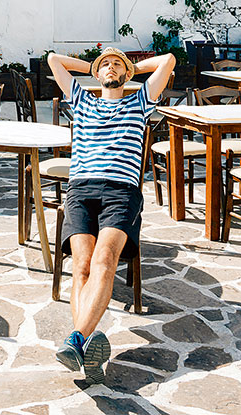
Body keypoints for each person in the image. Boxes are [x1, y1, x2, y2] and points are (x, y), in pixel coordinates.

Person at [47, 46, 175, 383]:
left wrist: (128, 66)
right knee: (82, 267)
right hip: (81, 189)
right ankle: (84, 345)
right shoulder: (81, 99)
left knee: (104, 260)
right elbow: (54, 60)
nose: (110, 67)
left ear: (127, 73)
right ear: (96, 73)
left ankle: (75, 339)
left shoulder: (140, 102)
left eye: (116, 63)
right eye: (105, 64)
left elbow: (167, 61)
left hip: (121, 191)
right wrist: (94, 65)